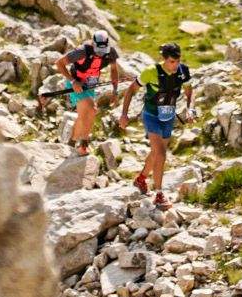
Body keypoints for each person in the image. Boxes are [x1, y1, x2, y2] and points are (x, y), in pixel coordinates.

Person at [119, 41, 193, 209]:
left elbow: (189, 91)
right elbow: (131, 90)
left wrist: (190, 108)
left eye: (178, 61)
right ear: (164, 59)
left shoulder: (183, 71)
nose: (176, 65)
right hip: (151, 115)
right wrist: (124, 114)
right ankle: (159, 194)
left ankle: (141, 179)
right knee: (161, 153)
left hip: (168, 117)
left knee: (156, 152)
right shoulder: (150, 72)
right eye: (172, 62)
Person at [53, 30, 123, 157]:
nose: (101, 54)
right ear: (93, 43)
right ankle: (84, 145)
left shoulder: (111, 52)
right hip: (76, 83)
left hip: (90, 85)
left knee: (84, 115)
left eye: (103, 51)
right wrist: (73, 81)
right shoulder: (81, 51)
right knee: (92, 109)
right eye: (98, 51)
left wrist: (115, 91)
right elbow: (59, 63)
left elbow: (114, 70)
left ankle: (72, 142)